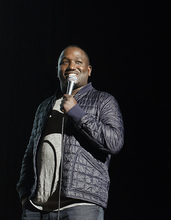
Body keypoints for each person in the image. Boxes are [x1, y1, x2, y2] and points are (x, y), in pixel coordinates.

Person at [16, 45, 124, 220]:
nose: (72, 66)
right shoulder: (44, 106)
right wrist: (23, 193)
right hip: (36, 207)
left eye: (78, 62)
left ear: (88, 70)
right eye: (65, 62)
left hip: (80, 204)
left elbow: (114, 142)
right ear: (58, 70)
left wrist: (77, 113)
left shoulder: (103, 100)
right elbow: (30, 153)